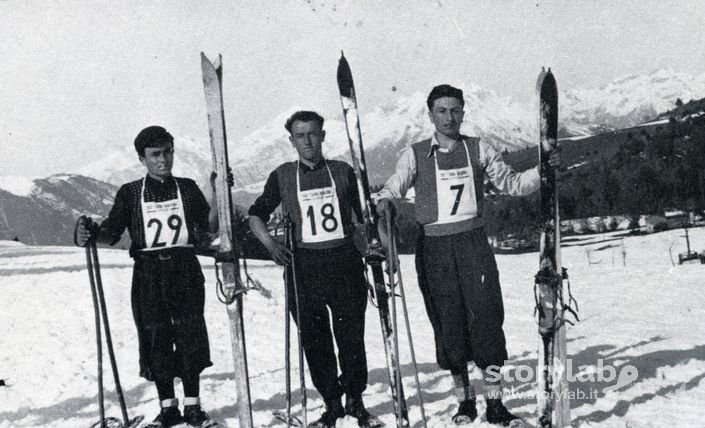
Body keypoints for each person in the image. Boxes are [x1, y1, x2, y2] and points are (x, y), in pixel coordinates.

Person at [375, 85, 560, 426]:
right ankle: (465, 402)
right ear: (431, 115)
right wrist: (386, 201)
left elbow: (513, 184)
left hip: (472, 244)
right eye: (442, 111)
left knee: (486, 321)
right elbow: (393, 187)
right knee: (449, 324)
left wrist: (544, 169)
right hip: (434, 248)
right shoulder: (415, 154)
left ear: (463, 112)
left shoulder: (478, 148)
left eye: (455, 110)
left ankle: (495, 403)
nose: (449, 117)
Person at [75, 126, 218, 428]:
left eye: (168, 152)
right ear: (142, 158)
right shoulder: (129, 192)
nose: (163, 160)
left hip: (184, 267)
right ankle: (168, 406)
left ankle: (193, 405)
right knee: (155, 336)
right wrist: (89, 233)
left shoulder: (187, 187)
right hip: (149, 271)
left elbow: (207, 227)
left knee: (190, 333)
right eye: (155, 155)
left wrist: (218, 194)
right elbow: (111, 233)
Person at [248, 111, 381, 428]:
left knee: (350, 336)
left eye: (312, 134)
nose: (307, 141)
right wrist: (270, 245)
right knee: (315, 339)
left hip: (344, 261)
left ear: (322, 135)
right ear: (291, 140)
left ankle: (355, 400)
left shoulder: (342, 172)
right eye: (300, 135)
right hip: (304, 265)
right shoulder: (282, 175)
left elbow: (365, 214)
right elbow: (256, 214)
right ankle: (332, 404)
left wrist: (378, 245)